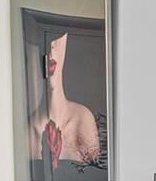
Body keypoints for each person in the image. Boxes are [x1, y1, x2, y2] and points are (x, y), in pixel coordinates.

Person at [28, 32, 101, 168]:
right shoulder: (26, 130)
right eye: (43, 37)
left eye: (57, 35)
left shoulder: (83, 119)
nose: (51, 46)